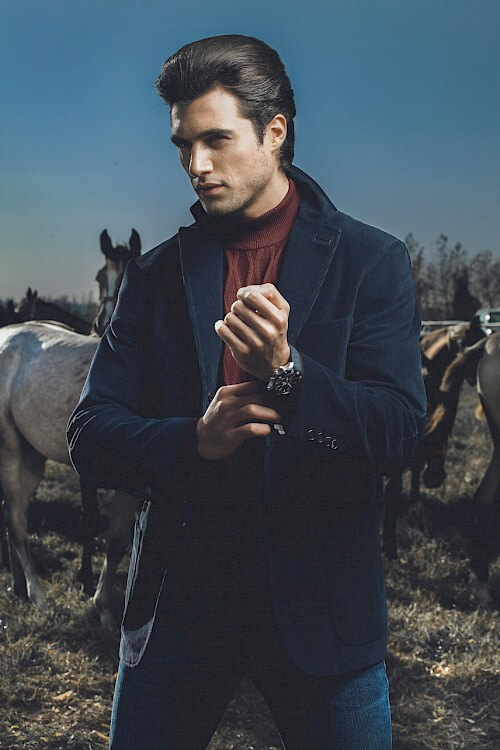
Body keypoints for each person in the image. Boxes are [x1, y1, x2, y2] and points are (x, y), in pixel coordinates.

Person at [66, 34, 427, 750]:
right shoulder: (154, 276)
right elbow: (89, 436)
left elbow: (399, 433)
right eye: (183, 146)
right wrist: (193, 440)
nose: (195, 166)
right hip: (179, 608)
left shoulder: (371, 260)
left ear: (275, 131)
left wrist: (290, 374)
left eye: (216, 140)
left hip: (323, 614)